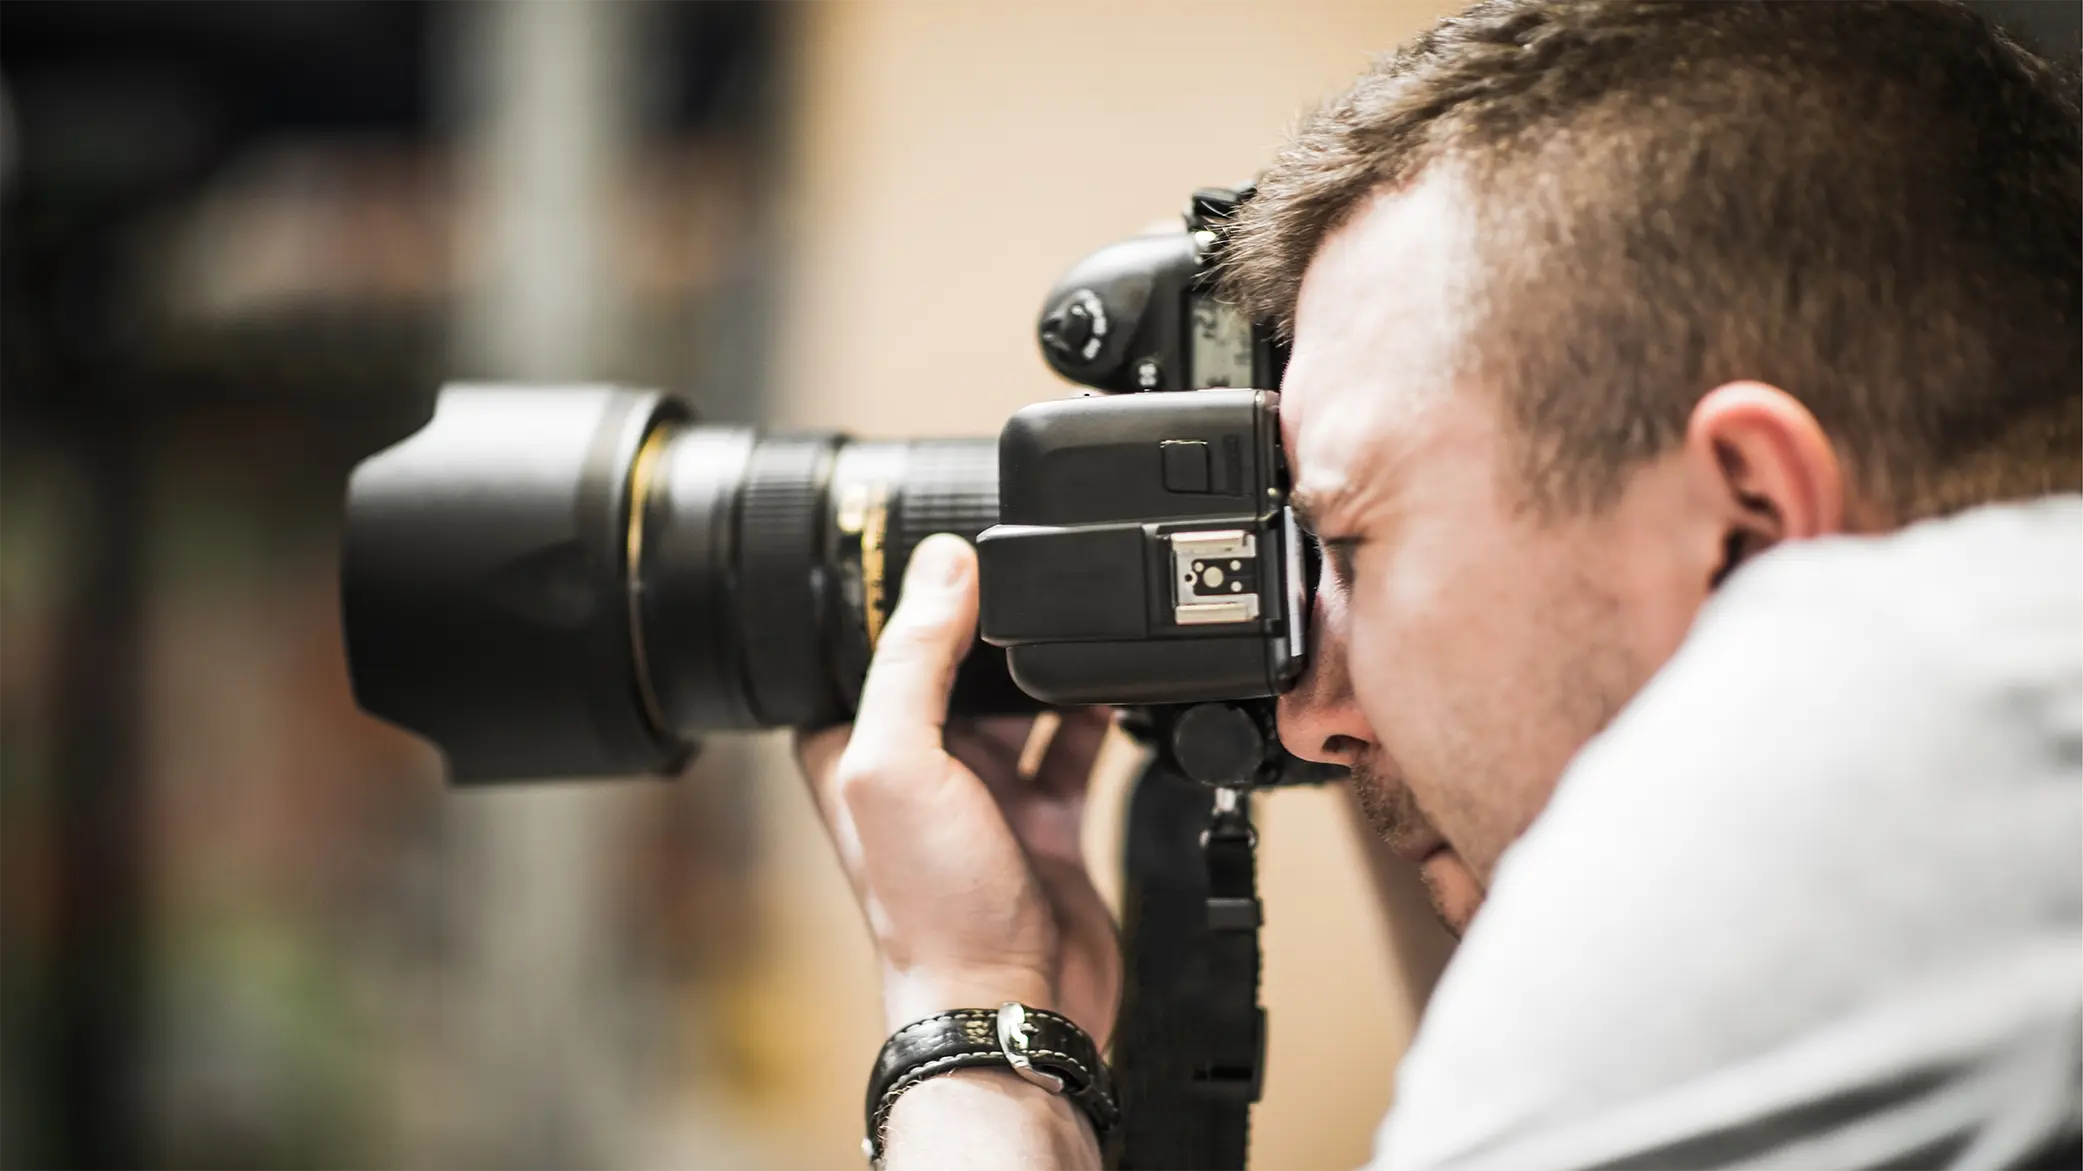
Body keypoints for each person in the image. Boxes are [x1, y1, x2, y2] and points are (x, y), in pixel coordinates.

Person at [793, 0, 2083, 1167]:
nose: (1308, 718)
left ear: (1745, 524)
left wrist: (972, 1026)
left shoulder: (1858, 817)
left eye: (1347, 549)